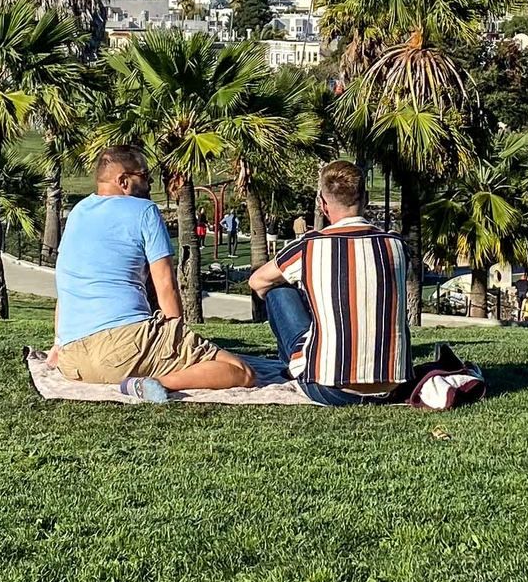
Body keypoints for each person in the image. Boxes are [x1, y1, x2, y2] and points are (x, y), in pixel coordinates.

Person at [45, 145, 254, 401]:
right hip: (125, 348)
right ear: (123, 180)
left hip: (73, 361)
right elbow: (165, 284)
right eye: (144, 177)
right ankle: (151, 383)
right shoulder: (144, 212)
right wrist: (177, 337)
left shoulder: (78, 212)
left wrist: (59, 342)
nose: (150, 183)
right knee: (240, 370)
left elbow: (66, 287)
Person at [247, 160, 412, 406]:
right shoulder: (396, 245)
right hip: (394, 384)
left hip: (330, 387)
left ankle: (295, 365)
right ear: (365, 199)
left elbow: (257, 281)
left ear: (323, 204)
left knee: (277, 290)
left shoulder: (309, 246)